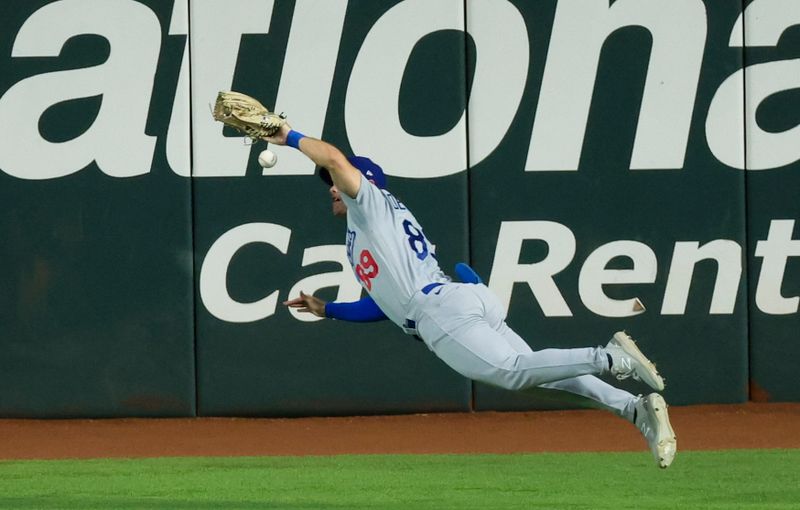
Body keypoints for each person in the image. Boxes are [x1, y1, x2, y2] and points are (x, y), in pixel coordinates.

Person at [266, 123, 677, 469]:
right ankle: (634, 409)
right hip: (456, 300)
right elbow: (383, 305)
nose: (331, 189)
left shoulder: (368, 204)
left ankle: (612, 357)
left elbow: (335, 160)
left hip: (439, 311)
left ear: (363, 182)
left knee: (513, 372)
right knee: (538, 379)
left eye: (337, 184)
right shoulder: (367, 231)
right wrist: (330, 309)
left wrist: (288, 136)